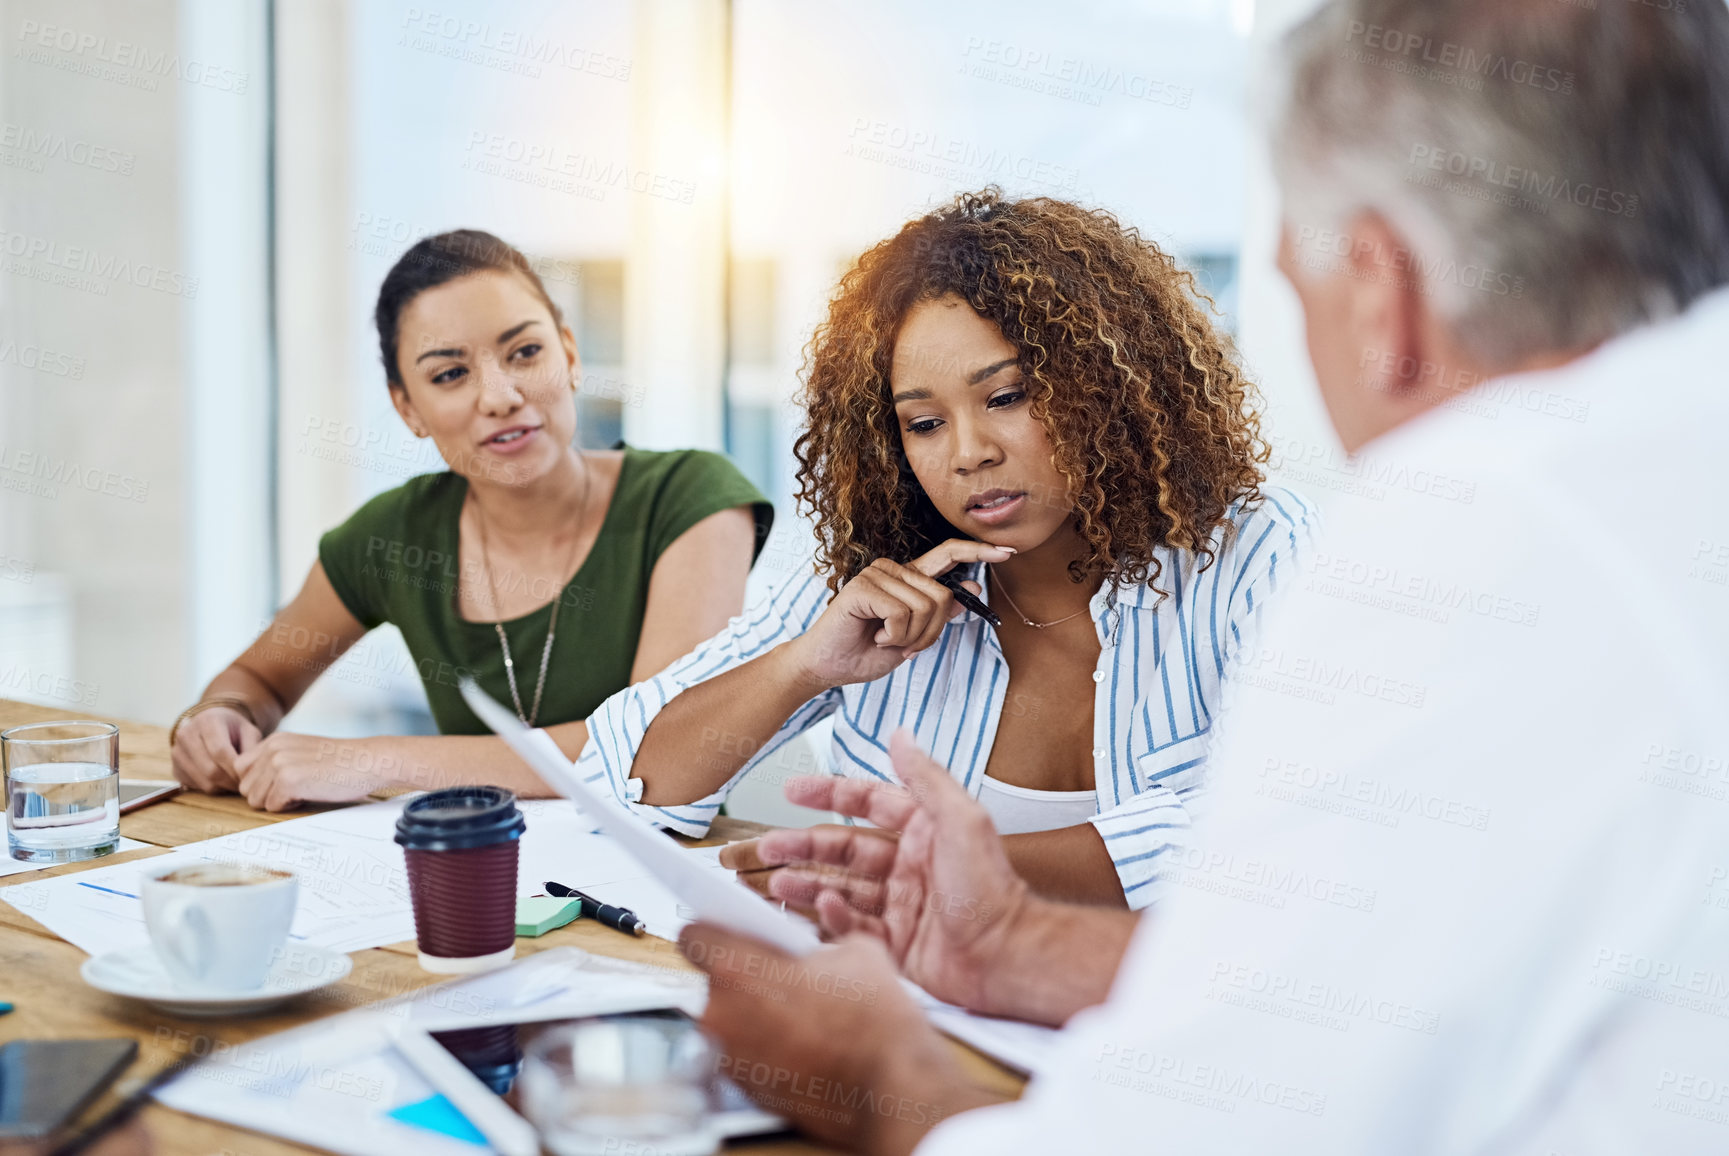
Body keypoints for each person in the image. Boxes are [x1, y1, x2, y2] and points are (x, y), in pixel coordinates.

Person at [675, 0, 1729, 1152]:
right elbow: (1353, 984)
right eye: (925, 418)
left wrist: (876, 1076)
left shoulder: (1480, 529)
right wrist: (1018, 943)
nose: (968, 448)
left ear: (1381, 292)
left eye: (1293, 284)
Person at [577, 191, 1316, 906]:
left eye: (1005, 398)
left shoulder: (1252, 553)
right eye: (923, 423)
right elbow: (614, 782)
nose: (967, 454)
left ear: (1103, 389)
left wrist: (933, 870)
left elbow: (1274, 830)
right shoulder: (882, 574)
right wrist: (803, 666)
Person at [169, 230, 772, 811]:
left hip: (655, 892)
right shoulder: (394, 536)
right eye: (450, 374)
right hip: (471, 880)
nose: (500, 395)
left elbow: (657, 752)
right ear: (408, 408)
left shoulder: (689, 497)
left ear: (568, 354)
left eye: (526, 352)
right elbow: (257, 679)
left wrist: (377, 761)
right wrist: (220, 717)